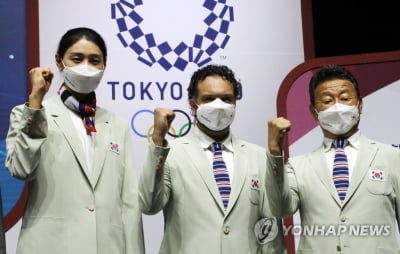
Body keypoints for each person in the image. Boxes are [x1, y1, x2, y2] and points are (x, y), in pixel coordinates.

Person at [5, 27, 144, 254]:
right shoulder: (29, 113)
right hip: (50, 246)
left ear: (104, 66)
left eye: (94, 60)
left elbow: (129, 202)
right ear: (60, 62)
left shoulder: (116, 124)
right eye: (77, 59)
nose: (85, 67)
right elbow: (21, 169)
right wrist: (35, 103)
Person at [139, 64, 286, 254]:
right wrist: (158, 139)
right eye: (208, 99)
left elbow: (270, 225)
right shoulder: (169, 153)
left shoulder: (258, 156)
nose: (219, 106)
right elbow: (148, 205)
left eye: (226, 99)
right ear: (193, 105)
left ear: (234, 104)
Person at [267, 64, 400, 253]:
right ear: (314, 112)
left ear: (359, 105)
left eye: (345, 98)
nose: (338, 106)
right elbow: (280, 209)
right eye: (327, 100)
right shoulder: (298, 166)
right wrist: (274, 152)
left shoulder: (392, 157)